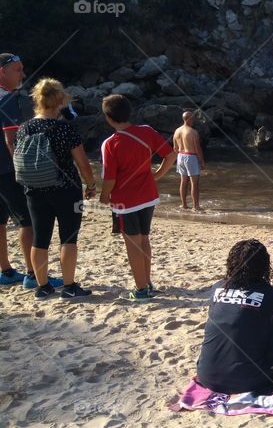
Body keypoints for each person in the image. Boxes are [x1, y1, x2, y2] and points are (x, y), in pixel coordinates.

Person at [197, 239, 273, 395]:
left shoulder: (218, 287)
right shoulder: (271, 293)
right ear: (264, 267)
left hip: (206, 376)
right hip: (249, 381)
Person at [15, 79, 97, 299]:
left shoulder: (25, 127)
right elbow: (82, 163)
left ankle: (42, 287)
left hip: (34, 189)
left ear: (38, 100)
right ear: (60, 100)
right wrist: (91, 185)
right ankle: (69, 287)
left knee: (40, 238)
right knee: (68, 238)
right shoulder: (65, 129)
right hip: (66, 189)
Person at [99, 94, 176, 301]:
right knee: (143, 240)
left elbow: (109, 178)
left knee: (132, 244)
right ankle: (147, 282)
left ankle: (141, 289)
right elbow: (170, 155)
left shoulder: (110, 143)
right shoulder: (147, 132)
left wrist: (104, 197)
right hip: (149, 196)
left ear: (109, 117)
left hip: (126, 202)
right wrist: (157, 175)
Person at [0, 53, 39, 288]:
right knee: (27, 221)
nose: (23, 74)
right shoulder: (8, 100)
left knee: (0, 221)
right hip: (6, 169)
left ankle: (5, 271)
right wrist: (23, 171)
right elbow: (11, 139)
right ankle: (32, 275)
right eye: (18, 69)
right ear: (2, 72)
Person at [173, 110, 205, 211]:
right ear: (188, 119)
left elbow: (175, 148)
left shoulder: (177, 131)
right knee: (194, 183)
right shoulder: (193, 132)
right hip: (191, 156)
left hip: (180, 156)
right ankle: (196, 206)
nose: (194, 119)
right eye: (193, 118)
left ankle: (184, 205)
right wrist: (202, 161)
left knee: (183, 181)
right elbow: (197, 148)